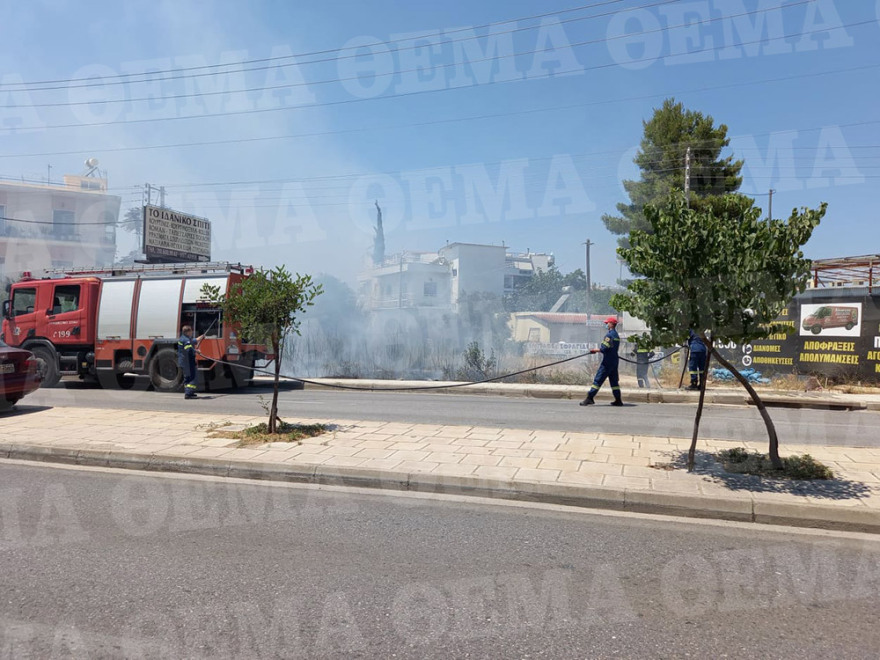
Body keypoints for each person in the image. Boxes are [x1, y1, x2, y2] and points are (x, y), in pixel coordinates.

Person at [580, 316, 623, 406]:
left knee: (598, 380)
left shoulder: (609, 335)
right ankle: (618, 400)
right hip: (614, 361)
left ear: (611, 324)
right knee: (614, 382)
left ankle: (590, 398)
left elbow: (604, 349)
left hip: (607, 362)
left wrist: (594, 350)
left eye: (607, 323)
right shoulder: (616, 335)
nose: (606, 325)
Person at [177, 325, 205, 399]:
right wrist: (196, 351)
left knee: (188, 377)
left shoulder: (185, 338)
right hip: (187, 363)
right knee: (191, 377)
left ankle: (190, 392)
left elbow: (195, 340)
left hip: (186, 362)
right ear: (188, 332)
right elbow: (188, 349)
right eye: (191, 331)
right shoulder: (186, 340)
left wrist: (202, 336)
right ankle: (188, 394)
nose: (192, 333)